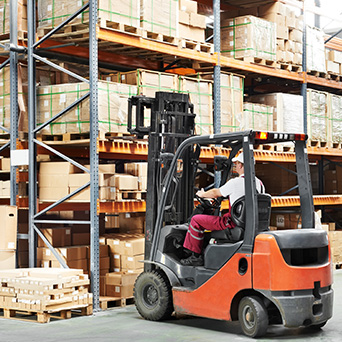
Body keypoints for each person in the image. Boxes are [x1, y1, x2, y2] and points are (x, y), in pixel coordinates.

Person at [180, 152, 265, 266]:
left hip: (231, 224)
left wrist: (202, 194)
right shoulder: (259, 184)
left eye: (236, 164)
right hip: (250, 225)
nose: (235, 166)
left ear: (240, 165)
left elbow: (216, 193)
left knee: (196, 220)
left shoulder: (235, 182)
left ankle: (195, 256)